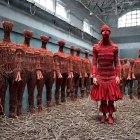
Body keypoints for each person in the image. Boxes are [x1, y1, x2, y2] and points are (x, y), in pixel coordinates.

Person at [90, 25, 123, 124]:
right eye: (103, 31)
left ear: (110, 33)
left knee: (111, 97)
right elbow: (94, 63)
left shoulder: (114, 48)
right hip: (101, 75)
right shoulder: (96, 48)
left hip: (111, 75)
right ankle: (104, 114)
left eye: (107, 31)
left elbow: (116, 63)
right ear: (101, 33)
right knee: (103, 97)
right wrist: (94, 75)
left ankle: (111, 115)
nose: (105, 32)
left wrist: (118, 75)